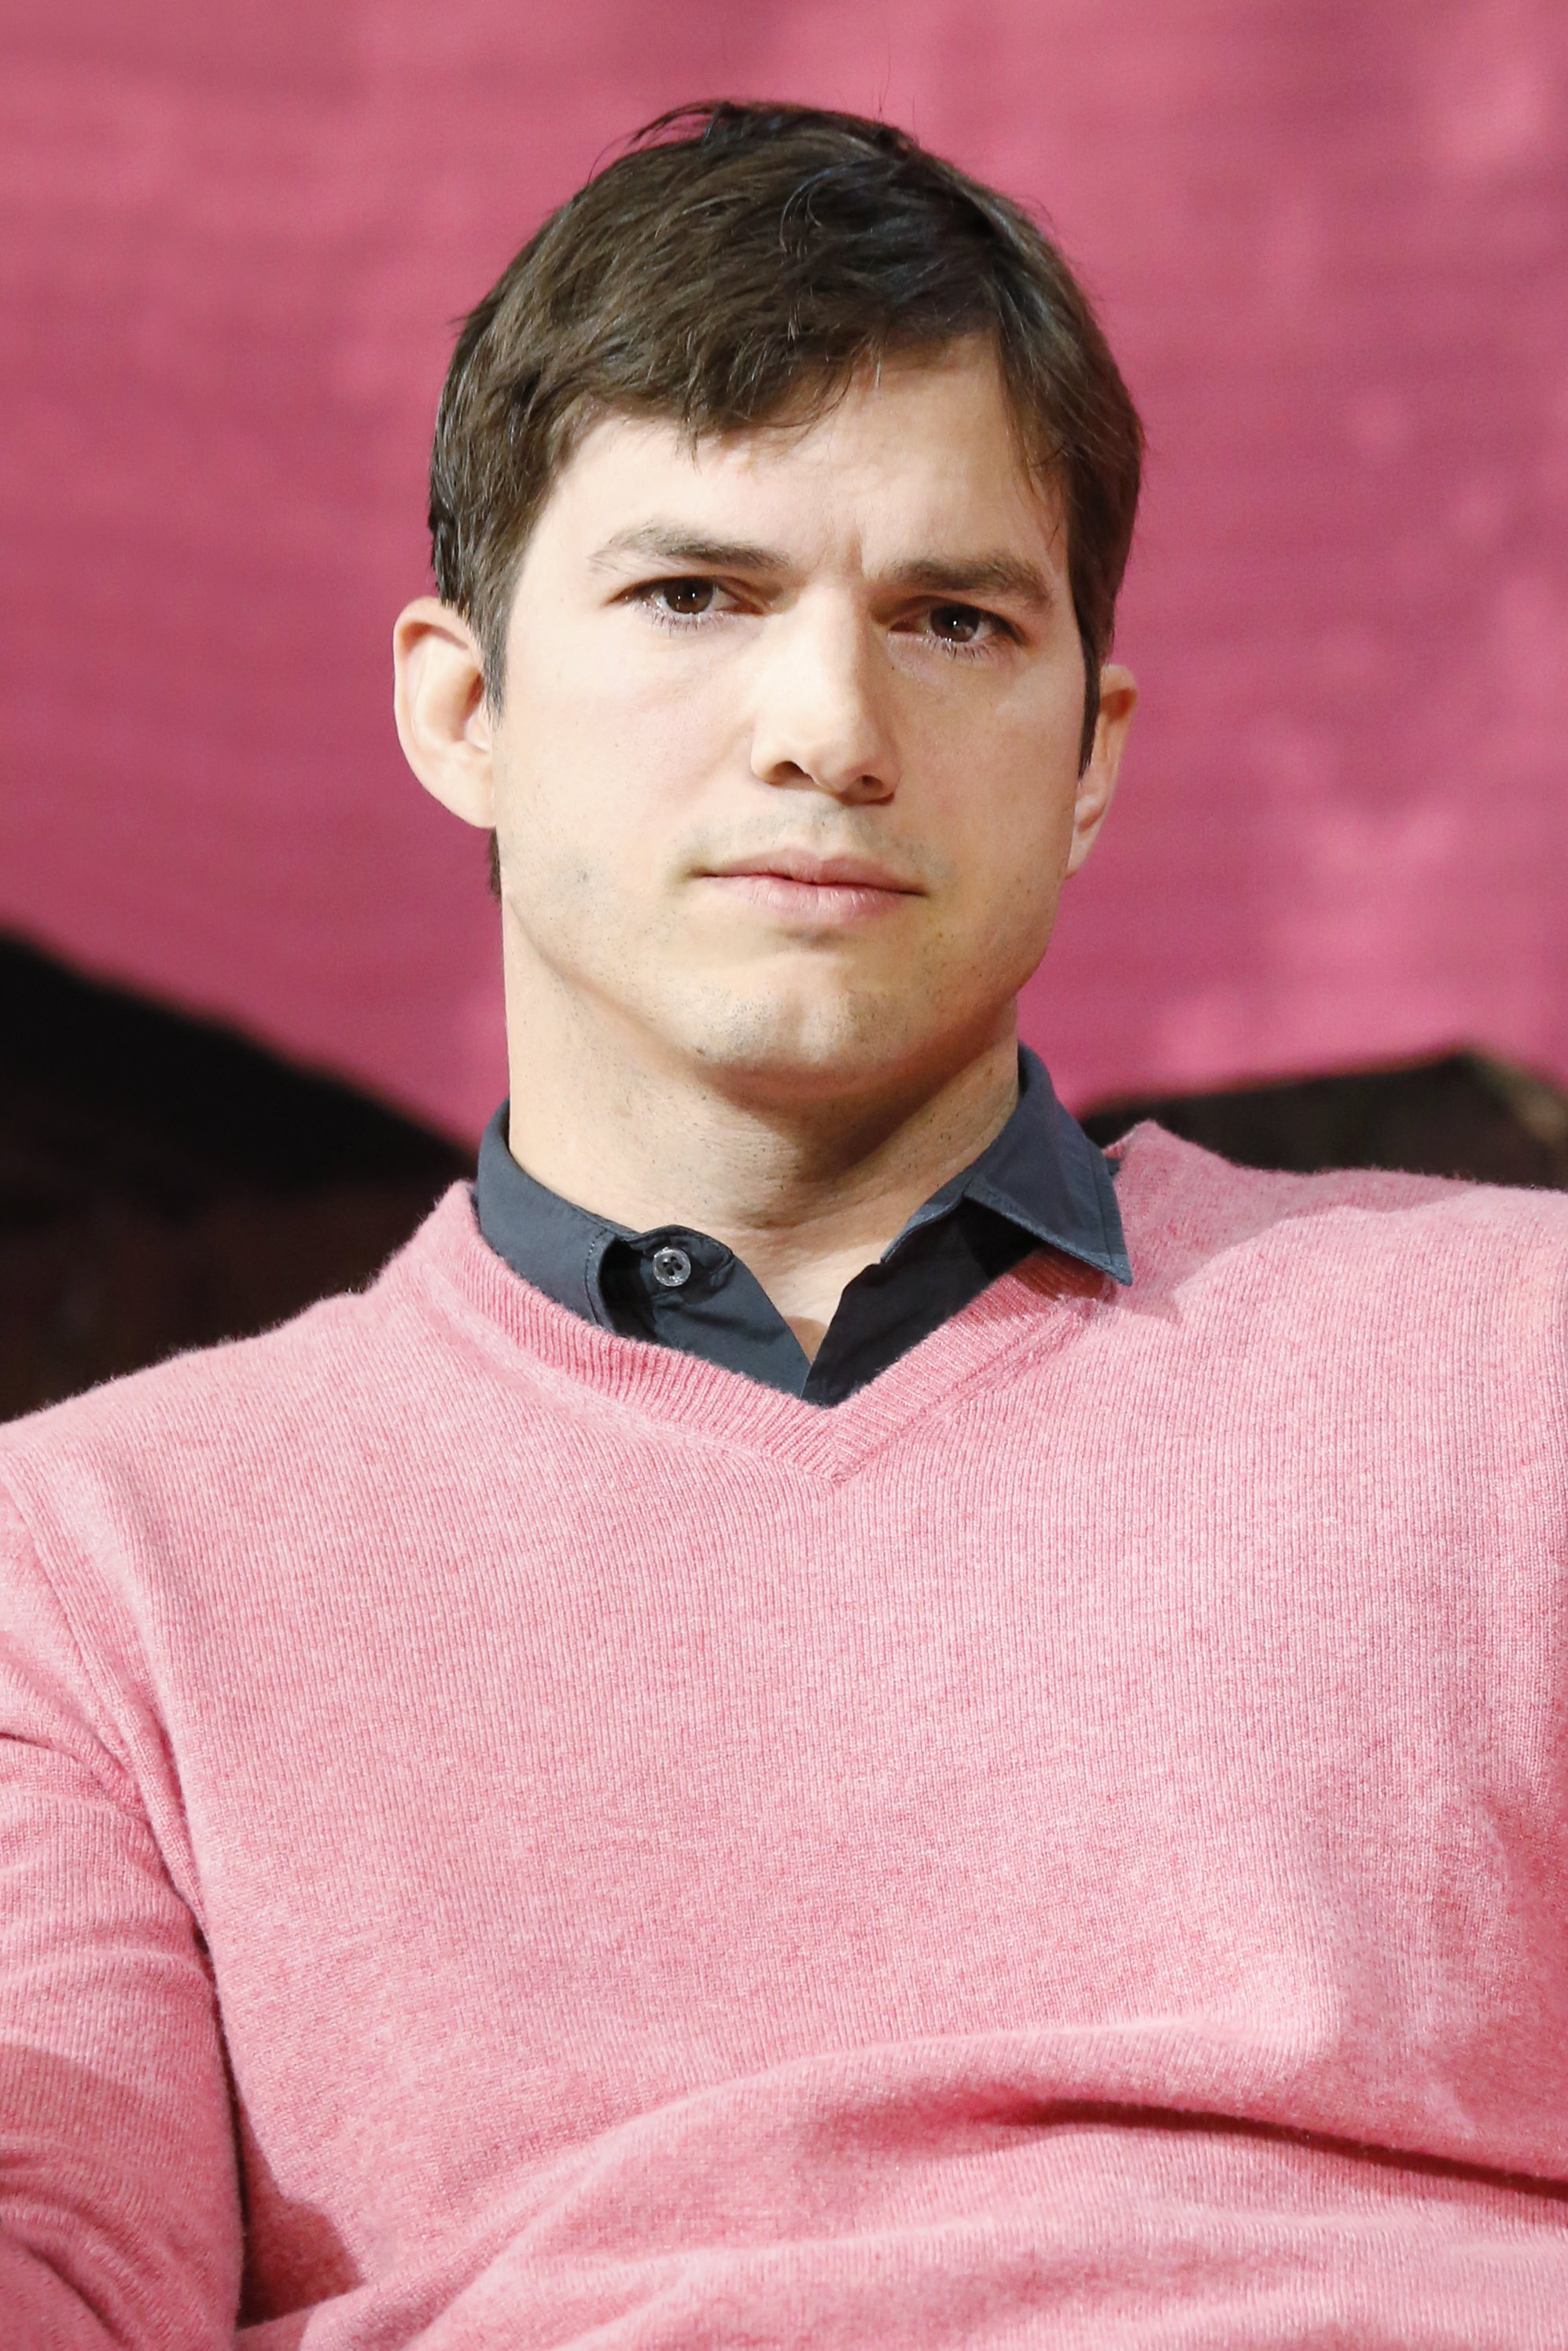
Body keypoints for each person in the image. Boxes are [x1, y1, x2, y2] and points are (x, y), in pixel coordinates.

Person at [2, 99, 1564, 2350]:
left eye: (947, 618)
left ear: (1090, 752)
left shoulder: (1513, 1363)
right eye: (693, 597)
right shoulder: (87, 1569)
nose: (827, 725)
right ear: (462, 706)